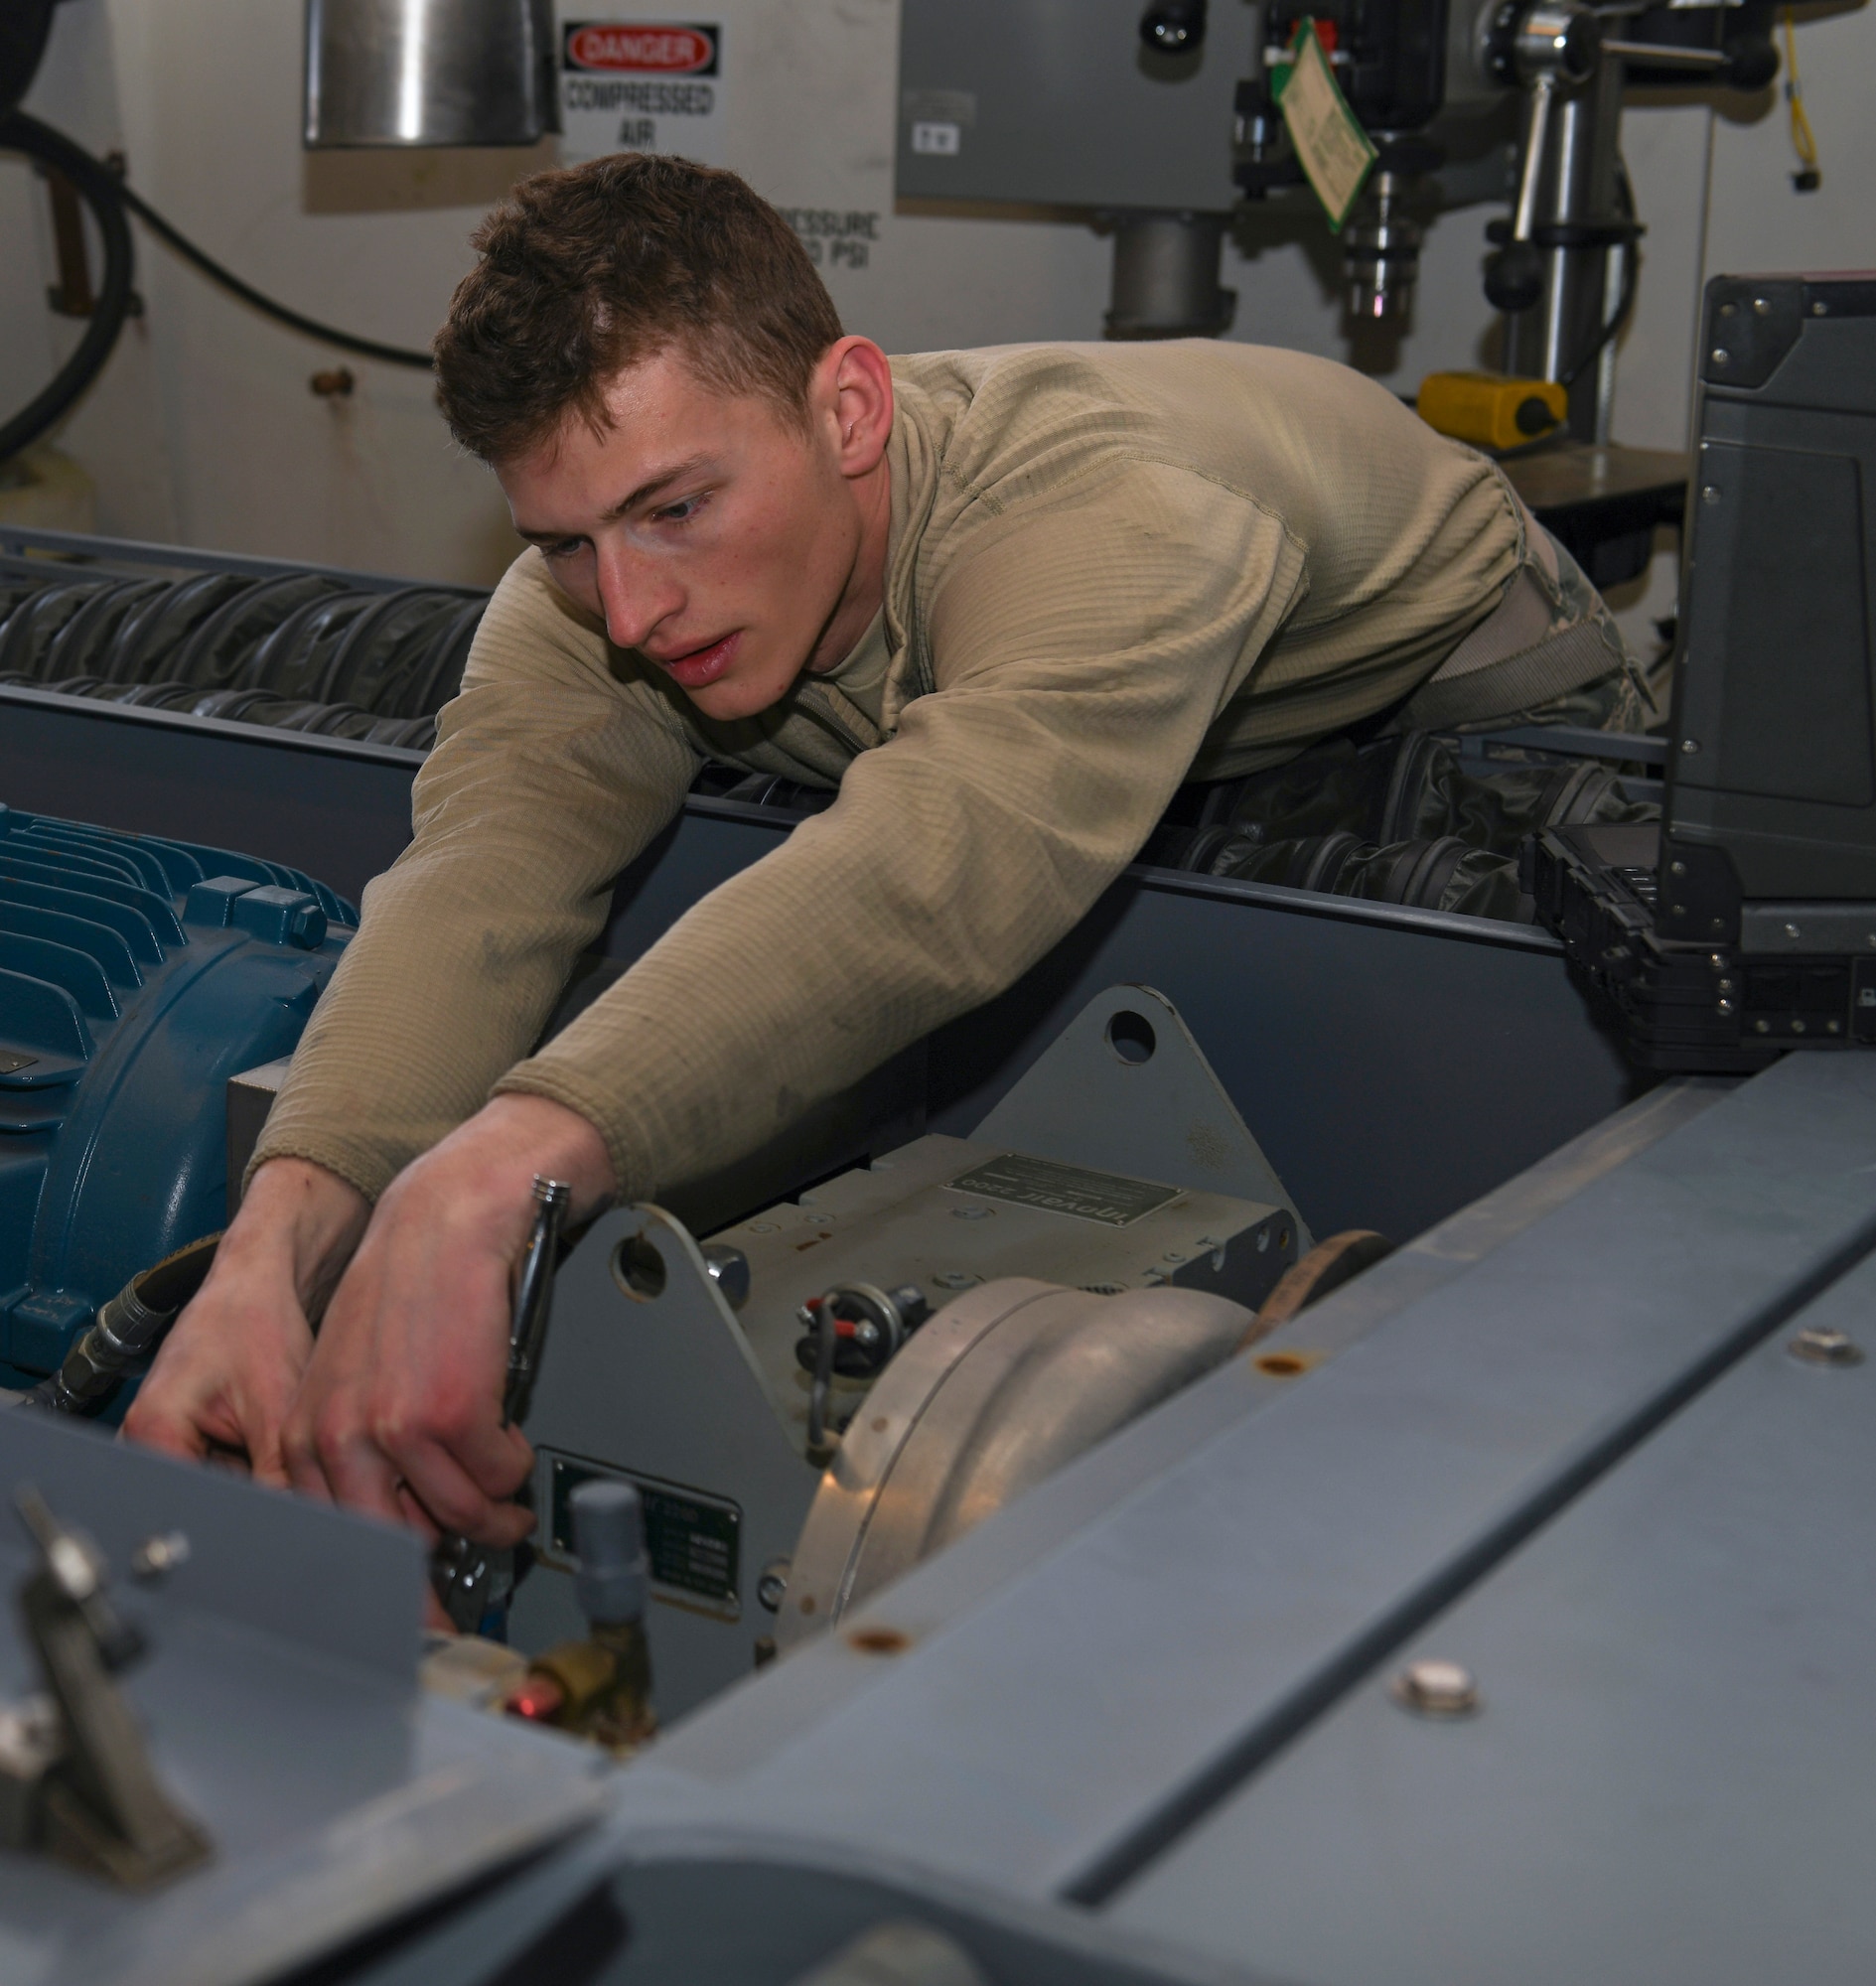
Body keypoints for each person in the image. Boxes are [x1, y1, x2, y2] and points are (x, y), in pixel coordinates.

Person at [123, 153, 1640, 1554]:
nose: (632, 612)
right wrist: (283, 1232)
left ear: (848, 410)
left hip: (1467, 760)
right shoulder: (599, 598)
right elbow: (479, 884)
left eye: (676, 508)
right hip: (1098, 753)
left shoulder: (1112, 511)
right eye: (566, 542)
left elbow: (935, 858)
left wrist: (495, 1169)